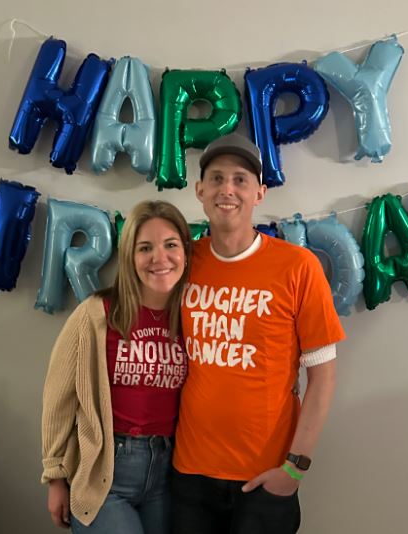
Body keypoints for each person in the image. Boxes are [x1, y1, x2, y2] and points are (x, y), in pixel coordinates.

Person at [171, 133, 346, 534]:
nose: (226, 189)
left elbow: (323, 376)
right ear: (199, 190)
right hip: (189, 473)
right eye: (216, 179)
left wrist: (295, 469)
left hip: (266, 477)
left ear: (259, 193)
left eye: (240, 179)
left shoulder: (297, 267)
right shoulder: (182, 261)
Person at [41, 200, 192, 534]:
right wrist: (55, 476)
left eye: (170, 245)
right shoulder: (96, 314)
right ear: (129, 256)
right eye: (145, 248)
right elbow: (58, 398)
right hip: (107, 472)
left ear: (185, 251)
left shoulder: (192, 317)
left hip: (170, 471)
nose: (159, 258)